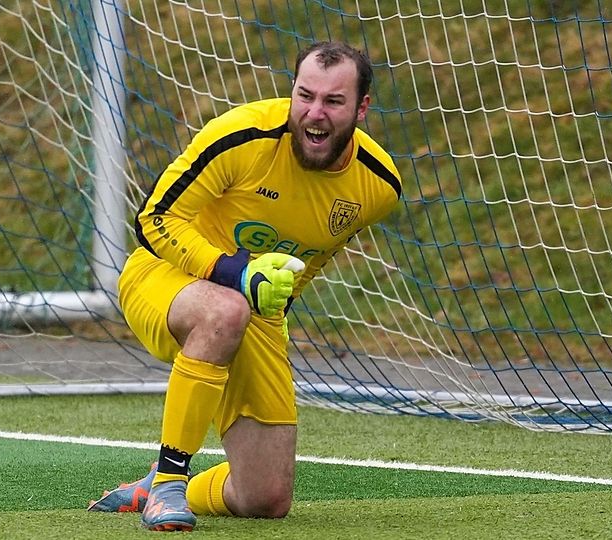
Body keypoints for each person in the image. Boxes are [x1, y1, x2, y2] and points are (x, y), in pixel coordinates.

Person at [88, 40, 402, 532]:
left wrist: (273, 302)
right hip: (164, 276)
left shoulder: (378, 188)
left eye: (333, 102)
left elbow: (312, 259)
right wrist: (236, 273)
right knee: (225, 310)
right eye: (305, 96)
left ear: (361, 108)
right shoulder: (241, 135)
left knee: (264, 498)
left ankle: (156, 486)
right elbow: (153, 221)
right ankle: (171, 480)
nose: (314, 114)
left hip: (252, 307)